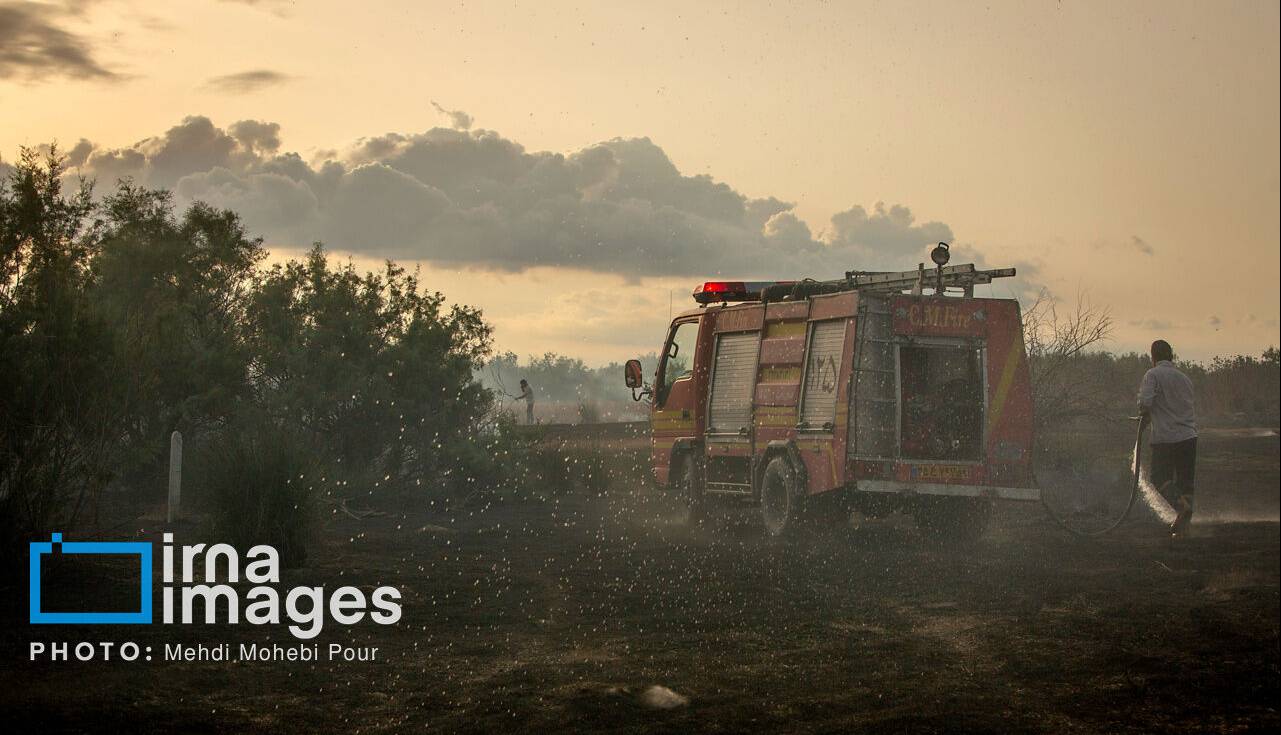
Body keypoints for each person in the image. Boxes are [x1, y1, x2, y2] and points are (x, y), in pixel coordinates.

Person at [1137, 339, 1198, 536]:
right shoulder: (1184, 378)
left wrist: (1144, 415)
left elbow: (1145, 403)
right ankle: (1184, 528)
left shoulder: (1153, 375)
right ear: (1171, 356)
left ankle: (1181, 509)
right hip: (1189, 436)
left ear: (1153, 357)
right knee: (1185, 481)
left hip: (1166, 437)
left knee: (1159, 477)